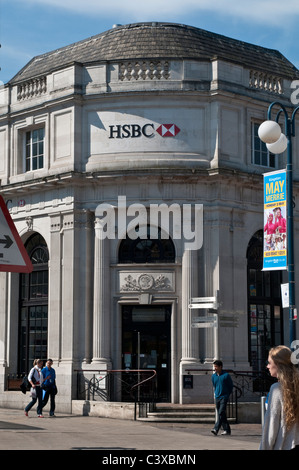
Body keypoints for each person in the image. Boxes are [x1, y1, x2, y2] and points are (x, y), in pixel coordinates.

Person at [259, 345, 299, 450]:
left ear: (278, 365)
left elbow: (271, 426)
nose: (267, 366)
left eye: (269, 363)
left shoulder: (277, 389)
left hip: (285, 445)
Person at [211, 360, 233, 436]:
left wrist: (227, 394)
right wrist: (216, 394)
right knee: (221, 414)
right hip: (217, 397)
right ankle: (227, 430)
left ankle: (216, 429)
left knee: (221, 412)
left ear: (221, 367)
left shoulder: (226, 375)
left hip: (224, 396)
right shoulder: (213, 376)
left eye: (216, 366)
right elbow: (214, 385)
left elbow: (230, 386)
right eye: (214, 366)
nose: (215, 368)